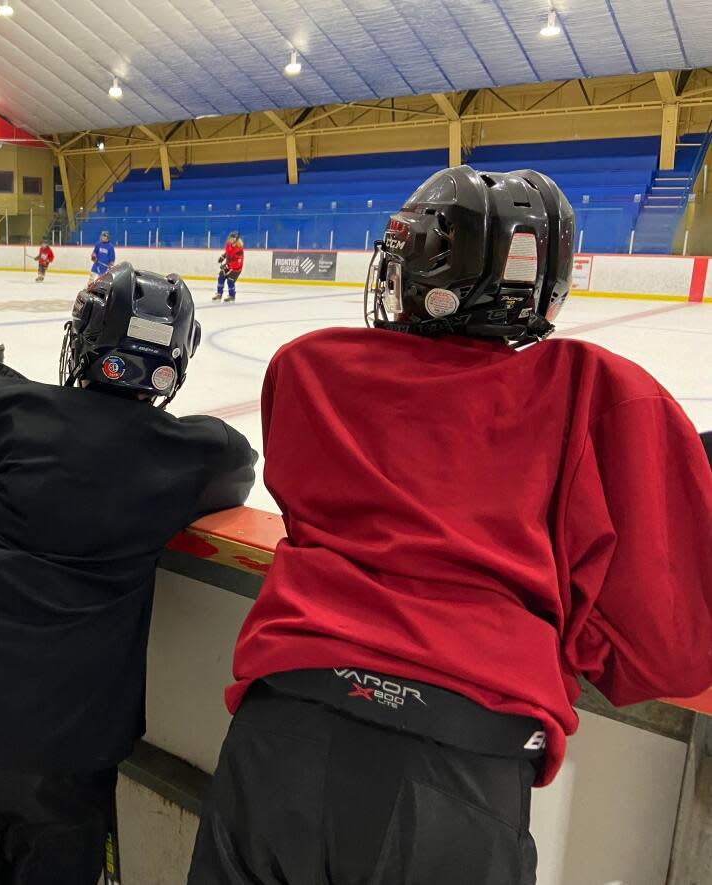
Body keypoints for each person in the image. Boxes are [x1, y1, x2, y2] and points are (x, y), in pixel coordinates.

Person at [188, 166, 712, 885]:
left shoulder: (307, 368)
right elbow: (671, 645)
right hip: (464, 761)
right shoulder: (602, 393)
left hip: (282, 727)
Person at [0, 262, 258, 885]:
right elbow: (237, 460)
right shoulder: (193, 455)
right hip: (65, 752)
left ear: (82, 339)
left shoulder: (12, 408)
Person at [213, 230, 244, 302]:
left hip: (236, 269)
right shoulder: (228, 244)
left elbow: (238, 263)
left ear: (236, 239)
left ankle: (232, 296)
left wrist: (228, 266)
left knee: (230, 280)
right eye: (230, 238)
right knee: (221, 276)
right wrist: (223, 257)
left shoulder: (239, 249)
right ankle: (219, 294)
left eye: (233, 238)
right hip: (228, 265)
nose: (231, 239)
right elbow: (227, 253)